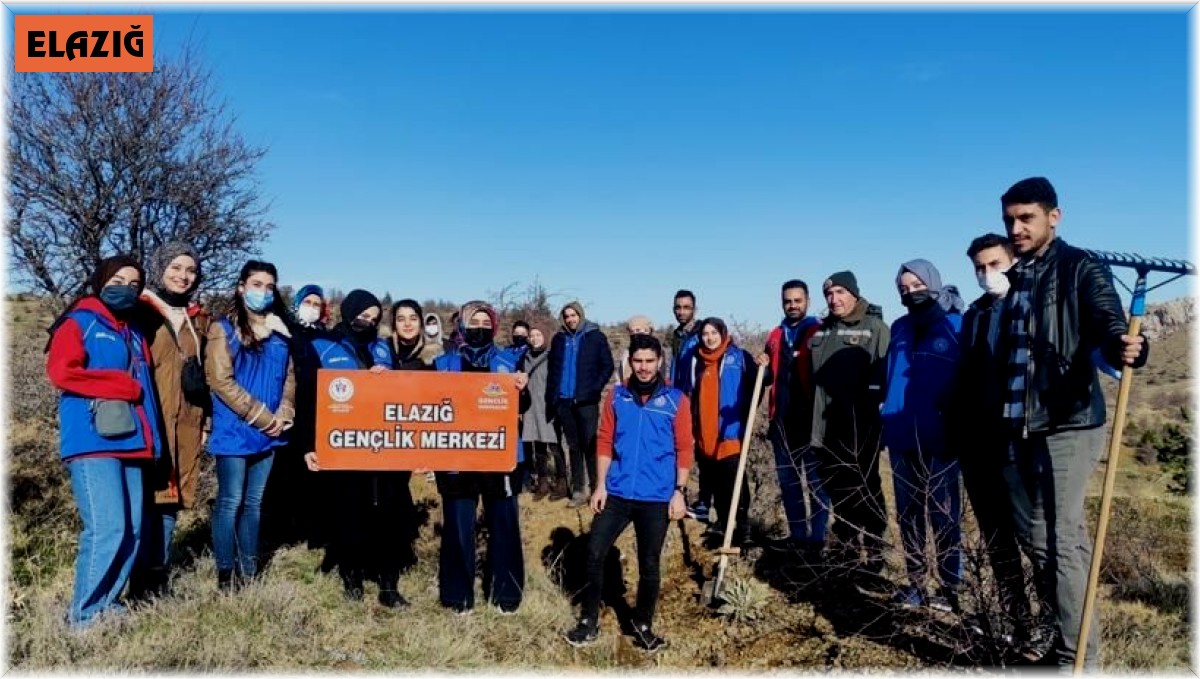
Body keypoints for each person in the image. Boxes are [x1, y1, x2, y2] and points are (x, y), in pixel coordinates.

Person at [996, 177, 1147, 668]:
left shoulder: (1080, 266)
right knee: (1040, 543)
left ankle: (1079, 661)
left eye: (1026, 219)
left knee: (1063, 540)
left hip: (1068, 422)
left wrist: (1122, 346)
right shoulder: (1018, 276)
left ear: (1053, 217)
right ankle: (1066, 642)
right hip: (1020, 426)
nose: (1016, 229)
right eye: (1010, 220)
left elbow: (1106, 321)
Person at [45, 255, 163, 628]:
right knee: (107, 527)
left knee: (131, 529)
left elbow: (148, 393)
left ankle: (108, 605)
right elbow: (61, 372)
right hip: (93, 441)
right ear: (100, 281)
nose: (125, 288)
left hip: (133, 440)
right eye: (118, 280)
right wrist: (119, 385)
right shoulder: (79, 321)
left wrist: (154, 442)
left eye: (134, 284)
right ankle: (83, 616)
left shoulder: (133, 332)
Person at [563, 334, 692, 652]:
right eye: (638, 361)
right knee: (594, 553)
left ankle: (642, 624)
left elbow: (684, 448)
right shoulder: (617, 396)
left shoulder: (677, 400)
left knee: (649, 563)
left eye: (650, 361)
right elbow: (605, 441)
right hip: (618, 492)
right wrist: (601, 485)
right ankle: (589, 621)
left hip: (656, 496)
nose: (644, 367)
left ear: (660, 362)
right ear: (630, 362)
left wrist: (679, 491)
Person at [303, 291, 417, 608]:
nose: (367, 322)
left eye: (374, 317)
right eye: (363, 315)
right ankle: (352, 581)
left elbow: (405, 391)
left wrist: (388, 379)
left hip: (384, 447)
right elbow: (310, 399)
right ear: (349, 311)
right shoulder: (324, 346)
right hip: (344, 448)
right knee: (350, 515)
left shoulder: (383, 348)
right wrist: (309, 445)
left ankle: (389, 586)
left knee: (390, 516)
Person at [952, 234, 1034, 647]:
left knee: (1033, 539)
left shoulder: (1031, 306)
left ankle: (1054, 625)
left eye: (995, 264)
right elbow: (966, 375)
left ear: (1013, 259)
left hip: (1017, 443)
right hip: (977, 443)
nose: (988, 274)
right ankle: (1017, 622)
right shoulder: (975, 314)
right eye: (980, 268)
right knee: (998, 541)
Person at [434, 301, 530, 615]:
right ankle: (457, 596)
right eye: (473, 321)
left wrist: (522, 388)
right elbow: (423, 402)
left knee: (504, 524)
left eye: (485, 322)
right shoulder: (443, 363)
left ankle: (507, 594)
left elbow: (522, 406)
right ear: (461, 324)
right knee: (459, 527)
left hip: (499, 456)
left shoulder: (508, 361)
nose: (479, 327)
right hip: (456, 457)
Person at [205, 260, 296, 591]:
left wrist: (285, 411)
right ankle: (225, 573)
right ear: (241, 287)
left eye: (270, 287)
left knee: (255, 503)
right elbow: (220, 379)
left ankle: (249, 569)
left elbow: (288, 377)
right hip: (236, 430)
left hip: (270, 433)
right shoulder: (224, 329)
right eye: (257, 284)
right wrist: (260, 416)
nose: (264, 292)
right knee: (231, 500)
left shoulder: (279, 332)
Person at [128, 241, 212, 599]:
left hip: (187, 424)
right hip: (147, 421)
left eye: (190, 270)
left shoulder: (198, 318)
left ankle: (156, 581)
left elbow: (206, 372)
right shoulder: (140, 311)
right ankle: (133, 579)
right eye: (175, 267)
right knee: (142, 503)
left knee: (170, 502)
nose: (183, 275)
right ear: (160, 267)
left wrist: (205, 421)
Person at [881, 260, 964, 612]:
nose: (910, 292)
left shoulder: (956, 325)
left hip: (941, 437)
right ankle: (916, 584)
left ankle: (950, 587)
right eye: (904, 288)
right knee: (909, 515)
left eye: (916, 285)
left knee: (944, 515)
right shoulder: (899, 328)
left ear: (933, 282)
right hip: (901, 435)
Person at [808, 271, 889, 578]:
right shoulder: (822, 332)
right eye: (829, 294)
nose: (834, 299)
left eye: (840, 292)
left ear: (854, 294)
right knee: (838, 492)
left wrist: (873, 426)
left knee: (866, 491)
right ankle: (846, 554)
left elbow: (884, 381)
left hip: (860, 429)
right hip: (825, 430)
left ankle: (875, 552)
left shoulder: (875, 329)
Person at [756, 279, 828, 553]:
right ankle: (798, 535)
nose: (792, 305)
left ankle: (817, 538)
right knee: (788, 481)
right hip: (782, 420)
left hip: (811, 421)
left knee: (816, 483)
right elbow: (766, 376)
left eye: (798, 300)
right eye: (788, 301)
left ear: (807, 301)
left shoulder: (819, 331)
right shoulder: (775, 335)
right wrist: (761, 366)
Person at [685, 318, 758, 548]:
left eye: (714, 332)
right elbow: (688, 392)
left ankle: (744, 530)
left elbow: (760, 381)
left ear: (723, 333)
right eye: (705, 333)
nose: (709, 337)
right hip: (705, 433)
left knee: (736, 483)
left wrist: (763, 367)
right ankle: (726, 528)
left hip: (731, 433)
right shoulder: (696, 360)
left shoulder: (739, 357)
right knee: (717, 485)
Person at [280, 285, 336, 555]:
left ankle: (315, 532)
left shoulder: (326, 338)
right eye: (308, 301)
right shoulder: (285, 332)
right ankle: (286, 531)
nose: (312, 307)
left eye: (317, 303)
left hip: (320, 411)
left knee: (316, 474)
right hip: (291, 408)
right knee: (287, 473)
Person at [547, 301, 615, 508]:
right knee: (574, 446)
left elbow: (607, 365)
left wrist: (594, 388)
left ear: (581, 315)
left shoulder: (595, 336)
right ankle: (578, 489)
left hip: (586, 401)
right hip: (564, 401)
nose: (570, 319)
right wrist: (554, 396)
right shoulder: (559, 339)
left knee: (590, 444)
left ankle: (597, 487)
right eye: (566, 316)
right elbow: (553, 368)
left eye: (573, 315)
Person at [523, 323, 569, 501]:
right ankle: (542, 483)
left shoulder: (551, 358)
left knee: (555, 446)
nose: (534, 339)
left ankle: (562, 483)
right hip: (530, 408)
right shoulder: (525, 358)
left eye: (538, 335)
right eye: (532, 335)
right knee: (538, 447)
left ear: (545, 337)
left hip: (548, 408)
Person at [390, 298, 443, 368]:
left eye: (413, 319)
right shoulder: (385, 349)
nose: (407, 324)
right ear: (394, 324)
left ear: (421, 322)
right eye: (401, 319)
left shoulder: (435, 353)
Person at [615, 315, 668, 384]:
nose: (635, 334)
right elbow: (620, 376)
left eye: (638, 330)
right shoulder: (626, 353)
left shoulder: (658, 351)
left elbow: (661, 375)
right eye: (632, 331)